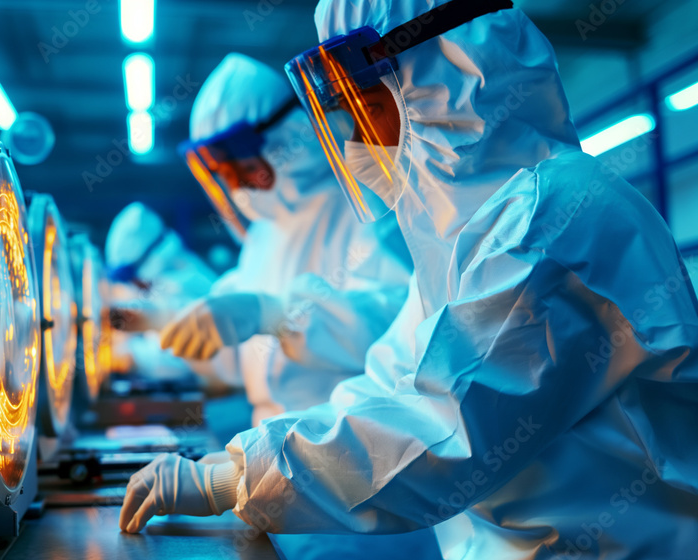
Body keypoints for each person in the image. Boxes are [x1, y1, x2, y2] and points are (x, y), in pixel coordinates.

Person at [119, 1, 698, 558]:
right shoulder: (465, 233)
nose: (356, 137)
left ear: (444, 74)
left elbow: (443, 426)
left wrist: (242, 479)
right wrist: (237, 464)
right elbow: (391, 377)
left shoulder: (553, 219)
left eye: (364, 102)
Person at [163, 53, 414, 425]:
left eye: (245, 166)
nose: (237, 185)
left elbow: (399, 326)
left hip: (350, 438)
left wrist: (275, 314)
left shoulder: (365, 205)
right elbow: (237, 364)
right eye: (224, 173)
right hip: (273, 442)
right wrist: (167, 324)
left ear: (287, 139)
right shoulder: (263, 237)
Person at [105, 202, 225, 381]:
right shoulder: (179, 272)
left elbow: (178, 358)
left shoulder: (179, 285)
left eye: (132, 279)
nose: (133, 286)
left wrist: (129, 356)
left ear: (147, 263)